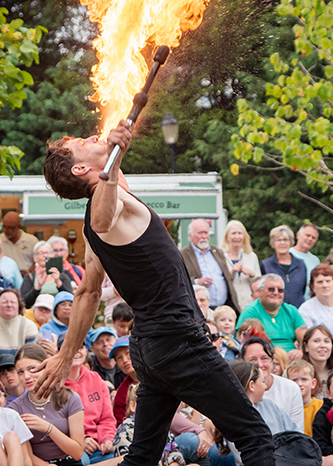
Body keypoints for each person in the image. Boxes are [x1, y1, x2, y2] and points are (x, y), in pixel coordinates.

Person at [39, 123, 275, 466]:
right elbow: (105, 217)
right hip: (178, 342)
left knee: (143, 458)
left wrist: (65, 355)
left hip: (151, 349)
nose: (93, 137)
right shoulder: (105, 208)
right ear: (81, 169)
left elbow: (88, 293)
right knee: (255, 436)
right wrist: (112, 165)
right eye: (81, 142)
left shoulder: (97, 216)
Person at [8, 344, 86, 466]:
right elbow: (25, 455)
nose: (26, 376)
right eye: (20, 372)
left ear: (46, 367)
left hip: (69, 461)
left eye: (32, 369)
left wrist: (49, 428)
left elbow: (77, 452)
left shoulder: (71, 398)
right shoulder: (15, 408)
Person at [214, 361, 301, 465]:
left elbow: (296, 436)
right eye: (262, 381)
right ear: (252, 385)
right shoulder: (233, 416)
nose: (265, 386)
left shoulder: (270, 405)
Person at [59, 332, 117, 464]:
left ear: (86, 350)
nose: (76, 352)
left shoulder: (96, 379)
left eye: (80, 347)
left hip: (98, 445)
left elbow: (107, 419)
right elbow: (55, 424)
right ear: (58, 352)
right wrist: (81, 439)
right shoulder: (54, 384)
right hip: (70, 447)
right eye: (70, 347)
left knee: (123, 458)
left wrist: (107, 439)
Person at [241, 337, 304, 428]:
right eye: (252, 360)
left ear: (272, 360)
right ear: (243, 362)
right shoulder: (239, 390)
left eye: (264, 358)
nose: (260, 364)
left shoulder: (291, 388)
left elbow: (297, 431)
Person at [181, 218, 240, 312]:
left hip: (224, 307)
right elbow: (180, 280)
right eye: (200, 233)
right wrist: (196, 282)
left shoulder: (217, 252)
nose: (204, 236)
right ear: (190, 235)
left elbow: (225, 278)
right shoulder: (183, 255)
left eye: (206, 232)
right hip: (201, 309)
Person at [239, 274, 307, 351]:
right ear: (260, 291)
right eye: (271, 289)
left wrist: (300, 352)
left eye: (280, 290)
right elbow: (247, 344)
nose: (275, 293)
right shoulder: (250, 312)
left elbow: (304, 340)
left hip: (292, 358)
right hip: (266, 356)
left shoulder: (292, 310)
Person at [0, 288, 38, 369]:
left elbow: (30, 355)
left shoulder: (29, 325)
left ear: (19, 306)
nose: (9, 305)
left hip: (20, 369)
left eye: (13, 302)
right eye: (4, 302)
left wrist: (15, 371)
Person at [260, 225, 308, 308]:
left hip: (298, 312)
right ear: (273, 243)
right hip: (275, 311)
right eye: (278, 240)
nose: (282, 243)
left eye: (285, 240)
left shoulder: (301, 264)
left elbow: (302, 290)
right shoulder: (266, 265)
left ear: (291, 242)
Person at [22, 240, 75, 308]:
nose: (45, 255)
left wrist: (58, 282)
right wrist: (38, 286)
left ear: (52, 255)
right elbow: (24, 302)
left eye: (47, 253)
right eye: (41, 253)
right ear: (35, 258)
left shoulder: (62, 276)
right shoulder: (30, 277)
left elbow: (70, 299)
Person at [221, 220, 261, 306]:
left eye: (240, 233)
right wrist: (231, 273)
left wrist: (252, 274)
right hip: (229, 303)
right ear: (227, 237)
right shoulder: (221, 256)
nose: (237, 236)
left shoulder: (251, 256)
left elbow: (259, 283)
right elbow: (219, 281)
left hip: (248, 303)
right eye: (233, 233)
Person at [284, 359, 322, 437]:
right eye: (294, 380)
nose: (299, 384)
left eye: (304, 379)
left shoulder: (320, 406)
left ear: (313, 383)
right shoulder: (284, 407)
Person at [291, 223, 322, 298]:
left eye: (313, 237)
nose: (310, 239)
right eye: (307, 235)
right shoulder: (288, 254)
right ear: (298, 235)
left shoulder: (316, 261)